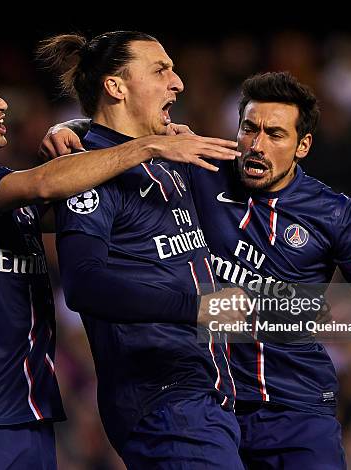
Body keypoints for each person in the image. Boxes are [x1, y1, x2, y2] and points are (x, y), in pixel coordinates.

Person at [44, 71, 351, 469]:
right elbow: (128, 129)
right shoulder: (198, 168)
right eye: (249, 129)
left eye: (275, 134)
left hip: (298, 407)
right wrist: (68, 127)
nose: (257, 145)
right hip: (212, 404)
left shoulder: (334, 213)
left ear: (303, 145)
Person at [0, 55, 240, 469]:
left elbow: (87, 201)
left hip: (30, 413)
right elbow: (46, 182)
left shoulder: (10, 197)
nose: (1, 104)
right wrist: (147, 145)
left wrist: (71, 128)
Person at [36, 32, 244, 469]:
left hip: (209, 393)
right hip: (163, 398)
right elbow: (83, 284)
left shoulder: (169, 158)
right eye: (160, 70)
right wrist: (197, 307)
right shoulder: (87, 172)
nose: (178, 82)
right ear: (116, 86)